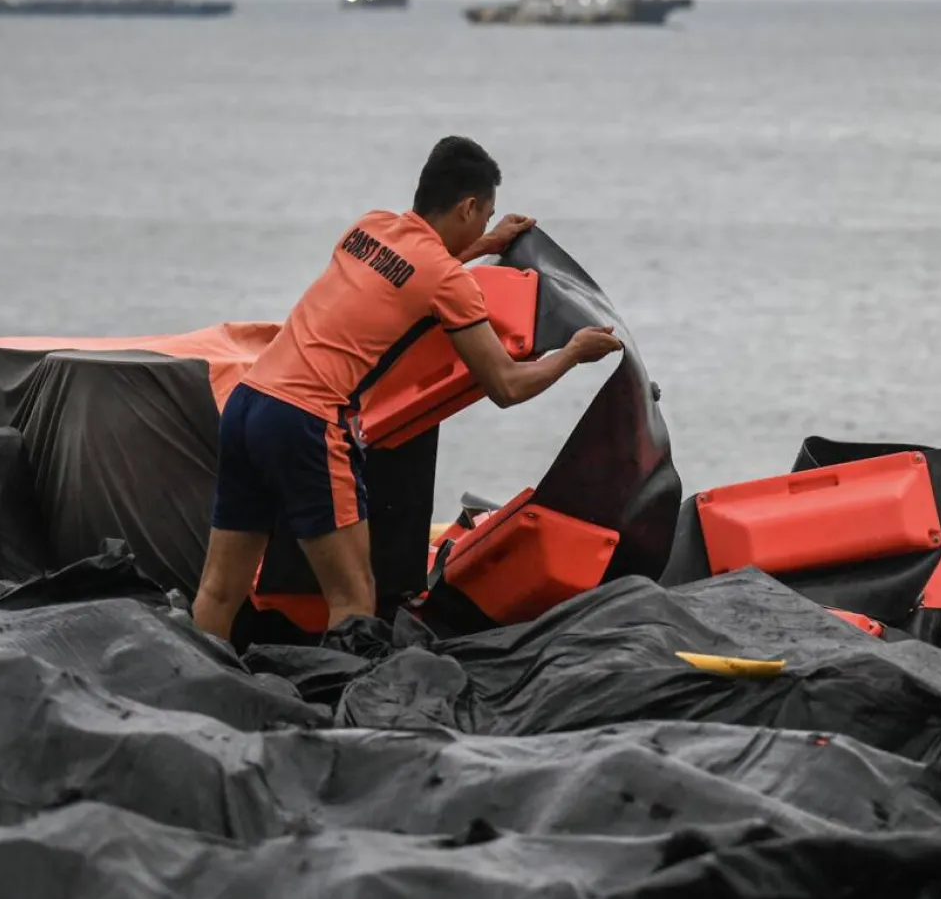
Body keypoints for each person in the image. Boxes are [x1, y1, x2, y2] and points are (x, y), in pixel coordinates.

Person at [192, 135, 622, 639]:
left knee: (220, 591)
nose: (485, 224)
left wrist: (483, 245)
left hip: (249, 402)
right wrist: (571, 353)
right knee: (353, 599)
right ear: (468, 206)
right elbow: (506, 385)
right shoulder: (447, 281)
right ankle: (353, 714)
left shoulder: (369, 227)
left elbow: (409, 271)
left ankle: (194, 692)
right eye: (484, 215)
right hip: (304, 422)